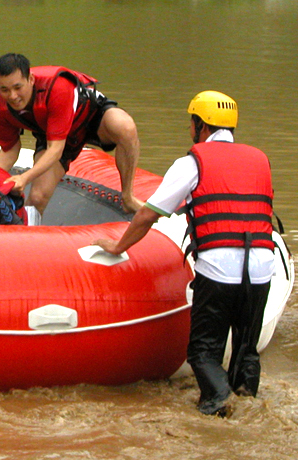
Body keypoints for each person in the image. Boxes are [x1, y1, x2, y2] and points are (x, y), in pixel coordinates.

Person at [92, 91, 276, 416]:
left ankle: (219, 405)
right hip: (262, 268)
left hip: (219, 271)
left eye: (191, 124)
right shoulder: (259, 159)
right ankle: (248, 404)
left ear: (199, 125)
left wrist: (117, 246)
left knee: (203, 353)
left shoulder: (193, 162)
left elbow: (149, 214)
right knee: (246, 351)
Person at [0, 53, 142, 216]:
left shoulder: (58, 88)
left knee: (125, 127)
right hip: (52, 133)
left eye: (18, 87)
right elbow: (9, 149)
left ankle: (128, 197)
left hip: (90, 118)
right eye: (5, 89)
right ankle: (26, 236)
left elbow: (55, 150)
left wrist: (24, 178)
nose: (13, 96)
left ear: (31, 80)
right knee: (37, 198)